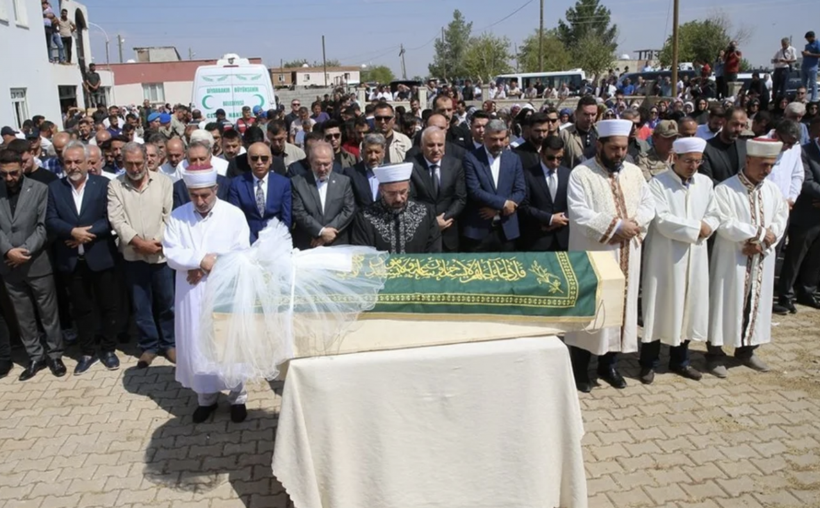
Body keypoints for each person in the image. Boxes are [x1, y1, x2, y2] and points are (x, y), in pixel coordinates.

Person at [564, 119, 655, 392]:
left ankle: (608, 366)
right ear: (600, 145)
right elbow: (579, 214)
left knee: (619, 310)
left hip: (628, 254)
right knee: (591, 313)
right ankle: (580, 371)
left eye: (624, 148)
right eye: (614, 148)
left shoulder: (635, 173)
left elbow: (648, 204)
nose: (619, 154)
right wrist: (616, 226)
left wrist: (634, 224)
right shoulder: (581, 174)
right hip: (594, 257)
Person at [162, 163, 251, 423]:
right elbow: (171, 252)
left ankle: (237, 396)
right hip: (191, 293)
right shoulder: (178, 216)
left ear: (215, 189)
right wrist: (200, 261)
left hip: (224, 290)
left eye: (205, 195)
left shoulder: (233, 215)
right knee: (196, 343)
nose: (200, 201)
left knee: (228, 342)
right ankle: (206, 398)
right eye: (194, 195)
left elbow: (241, 252)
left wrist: (210, 265)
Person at [706, 138, 789, 377]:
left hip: (761, 256)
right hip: (733, 257)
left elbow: (780, 219)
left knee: (756, 301)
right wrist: (758, 235)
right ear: (748, 160)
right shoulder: (725, 189)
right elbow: (724, 223)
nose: (768, 170)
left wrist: (763, 243)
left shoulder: (773, 190)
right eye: (763, 164)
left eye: (771, 165)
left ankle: (746, 350)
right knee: (726, 301)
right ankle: (715, 354)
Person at [640, 137, 719, 383]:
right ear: (675, 158)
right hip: (665, 259)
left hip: (694, 256)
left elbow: (715, 212)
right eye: (688, 161)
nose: (693, 166)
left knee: (688, 306)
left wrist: (709, 226)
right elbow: (662, 220)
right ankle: (648, 363)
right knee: (659, 306)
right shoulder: (658, 184)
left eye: (697, 161)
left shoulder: (705, 183)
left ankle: (680, 361)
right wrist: (698, 228)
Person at [45, 141, 121, 374]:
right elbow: (51, 219)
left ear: (89, 162)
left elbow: (110, 218)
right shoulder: (55, 188)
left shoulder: (104, 185)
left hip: (100, 256)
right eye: (68, 162)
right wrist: (71, 232)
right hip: (71, 260)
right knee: (82, 308)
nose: (73, 166)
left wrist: (84, 234)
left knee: (108, 305)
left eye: (78, 161)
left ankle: (108, 349)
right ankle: (87, 352)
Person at [107, 142, 175, 368]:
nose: (135, 168)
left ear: (147, 160)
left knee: (167, 302)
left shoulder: (163, 182)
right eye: (130, 163)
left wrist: (156, 243)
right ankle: (149, 345)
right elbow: (116, 220)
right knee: (141, 303)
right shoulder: (115, 185)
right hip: (133, 255)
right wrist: (138, 242)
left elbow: (170, 216)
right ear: (122, 162)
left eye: (139, 163)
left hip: (160, 254)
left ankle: (169, 343)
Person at [0, 149, 65, 381]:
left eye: (13, 173)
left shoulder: (40, 189)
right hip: (8, 263)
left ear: (22, 167)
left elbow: (43, 225)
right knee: (23, 314)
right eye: (4, 174)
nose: (9, 178)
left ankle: (55, 354)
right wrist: (8, 250)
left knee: (48, 312)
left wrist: (23, 251)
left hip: (36, 262)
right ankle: (35, 356)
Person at [776, 117, 820, 312]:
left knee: (816, 257)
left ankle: (807, 291)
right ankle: (786, 294)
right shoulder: (805, 151)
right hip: (805, 214)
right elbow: (807, 181)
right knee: (795, 257)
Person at [461, 119, 526, 252]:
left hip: (507, 230)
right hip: (478, 231)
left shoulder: (513, 159)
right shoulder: (471, 158)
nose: (498, 143)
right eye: (494, 139)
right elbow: (474, 191)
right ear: (484, 137)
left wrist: (499, 210)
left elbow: (520, 190)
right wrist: (504, 204)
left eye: (502, 139)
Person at [350, 162, 441, 254]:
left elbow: (434, 251)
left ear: (408, 187)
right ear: (381, 190)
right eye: (391, 193)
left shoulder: (425, 213)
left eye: (402, 192)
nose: (398, 199)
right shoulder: (365, 217)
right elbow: (362, 255)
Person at [407, 127, 466, 253]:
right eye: (430, 145)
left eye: (440, 145)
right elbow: (410, 198)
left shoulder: (455, 165)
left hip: (448, 231)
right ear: (421, 146)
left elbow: (460, 198)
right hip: (422, 232)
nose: (436, 149)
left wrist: (444, 219)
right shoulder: (411, 165)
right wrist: (432, 222)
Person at [291, 141, 356, 250]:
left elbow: (348, 210)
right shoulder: (298, 182)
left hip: (336, 243)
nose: (322, 169)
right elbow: (299, 213)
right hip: (309, 244)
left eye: (326, 164)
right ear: (310, 161)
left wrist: (328, 234)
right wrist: (321, 231)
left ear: (333, 161)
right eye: (318, 164)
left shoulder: (344, 182)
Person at [227, 142, 292, 244]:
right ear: (248, 160)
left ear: (270, 160)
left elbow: (286, 218)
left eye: (264, 158)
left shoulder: (283, 183)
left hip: (276, 241)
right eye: (254, 158)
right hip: (246, 241)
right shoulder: (237, 184)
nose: (259, 162)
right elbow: (236, 218)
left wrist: (276, 239)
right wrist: (253, 242)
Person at [518, 135, 571, 252]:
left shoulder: (568, 174)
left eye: (559, 158)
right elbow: (524, 206)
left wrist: (562, 219)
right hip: (538, 239)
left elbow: (574, 203)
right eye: (551, 158)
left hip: (563, 240)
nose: (555, 162)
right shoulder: (528, 175)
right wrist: (550, 219)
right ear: (541, 154)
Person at [701, 107, 749, 185]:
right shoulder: (707, 148)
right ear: (724, 122)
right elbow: (706, 179)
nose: (738, 129)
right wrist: (728, 191)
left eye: (742, 125)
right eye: (735, 124)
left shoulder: (745, 146)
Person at [344, 133, 386, 210]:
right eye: (369, 152)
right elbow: (349, 204)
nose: (373, 157)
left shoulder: (391, 172)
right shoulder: (351, 174)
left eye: (377, 152)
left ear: (383, 153)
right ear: (362, 153)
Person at [560, 95, 599, 169]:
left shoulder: (600, 133)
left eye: (593, 114)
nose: (590, 118)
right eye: (586, 114)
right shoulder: (565, 134)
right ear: (576, 113)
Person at [801, 31, 820, 102]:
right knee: (803, 84)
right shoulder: (807, 45)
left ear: (812, 37)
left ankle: (814, 99)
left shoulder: (817, 44)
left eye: (808, 38)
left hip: (812, 67)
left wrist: (810, 54)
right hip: (805, 65)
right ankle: (803, 98)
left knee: (813, 84)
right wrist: (804, 54)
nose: (807, 40)